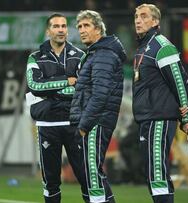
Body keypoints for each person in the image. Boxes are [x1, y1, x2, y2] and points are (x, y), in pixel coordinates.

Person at [132, 4, 188, 203]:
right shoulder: (144, 47)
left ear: (156, 21)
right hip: (147, 118)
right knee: (152, 173)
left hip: (159, 118)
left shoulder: (162, 45)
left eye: (143, 16)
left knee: (157, 173)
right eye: (136, 17)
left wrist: (186, 117)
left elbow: (180, 82)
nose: (138, 20)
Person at [25, 13, 85, 203]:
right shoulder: (35, 57)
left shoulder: (80, 56)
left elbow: (83, 88)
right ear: (48, 31)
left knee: (87, 178)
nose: (61, 30)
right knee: (51, 181)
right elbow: (35, 86)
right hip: (47, 125)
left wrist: (50, 90)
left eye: (64, 26)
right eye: (56, 26)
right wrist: (66, 81)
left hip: (74, 123)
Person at [70, 10, 126, 203]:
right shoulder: (96, 53)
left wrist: (84, 126)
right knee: (91, 171)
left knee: (92, 172)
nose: (82, 31)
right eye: (79, 27)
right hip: (95, 119)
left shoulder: (104, 54)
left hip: (96, 121)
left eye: (86, 26)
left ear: (99, 29)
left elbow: (100, 95)